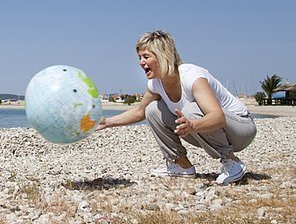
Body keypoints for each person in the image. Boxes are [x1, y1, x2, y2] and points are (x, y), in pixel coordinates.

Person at [96, 30, 256, 185]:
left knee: (190, 110)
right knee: (152, 109)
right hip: (204, 130)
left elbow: (218, 117)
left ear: (162, 56)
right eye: (139, 57)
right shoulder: (155, 84)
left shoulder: (192, 77)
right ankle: (181, 165)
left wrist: (192, 125)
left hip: (240, 129)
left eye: (146, 57)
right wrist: (106, 122)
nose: (141, 62)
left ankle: (231, 161)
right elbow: (139, 112)